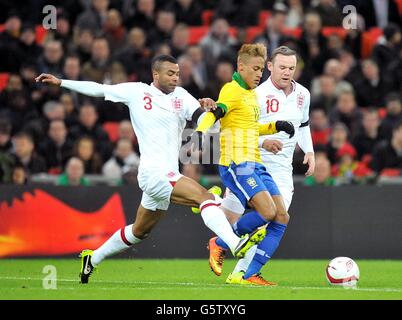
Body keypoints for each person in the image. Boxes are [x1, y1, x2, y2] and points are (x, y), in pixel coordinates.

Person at [35, 54, 266, 284]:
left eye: (177, 73)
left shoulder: (182, 96)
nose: (176, 78)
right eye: (170, 73)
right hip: (152, 173)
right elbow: (98, 88)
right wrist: (62, 82)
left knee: (139, 232)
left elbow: (205, 122)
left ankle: (92, 259)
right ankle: (234, 244)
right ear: (156, 74)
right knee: (204, 197)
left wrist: (209, 109)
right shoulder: (137, 92)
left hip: (168, 174)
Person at [201, 46, 314, 285]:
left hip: (279, 170)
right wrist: (265, 141)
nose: (287, 72)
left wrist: (310, 151)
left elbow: (303, 126)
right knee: (239, 217)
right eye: (282, 67)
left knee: (278, 217)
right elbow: (232, 125)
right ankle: (212, 215)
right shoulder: (255, 92)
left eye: (291, 68)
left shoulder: (302, 94)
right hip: (248, 162)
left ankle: (245, 273)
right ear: (271, 67)